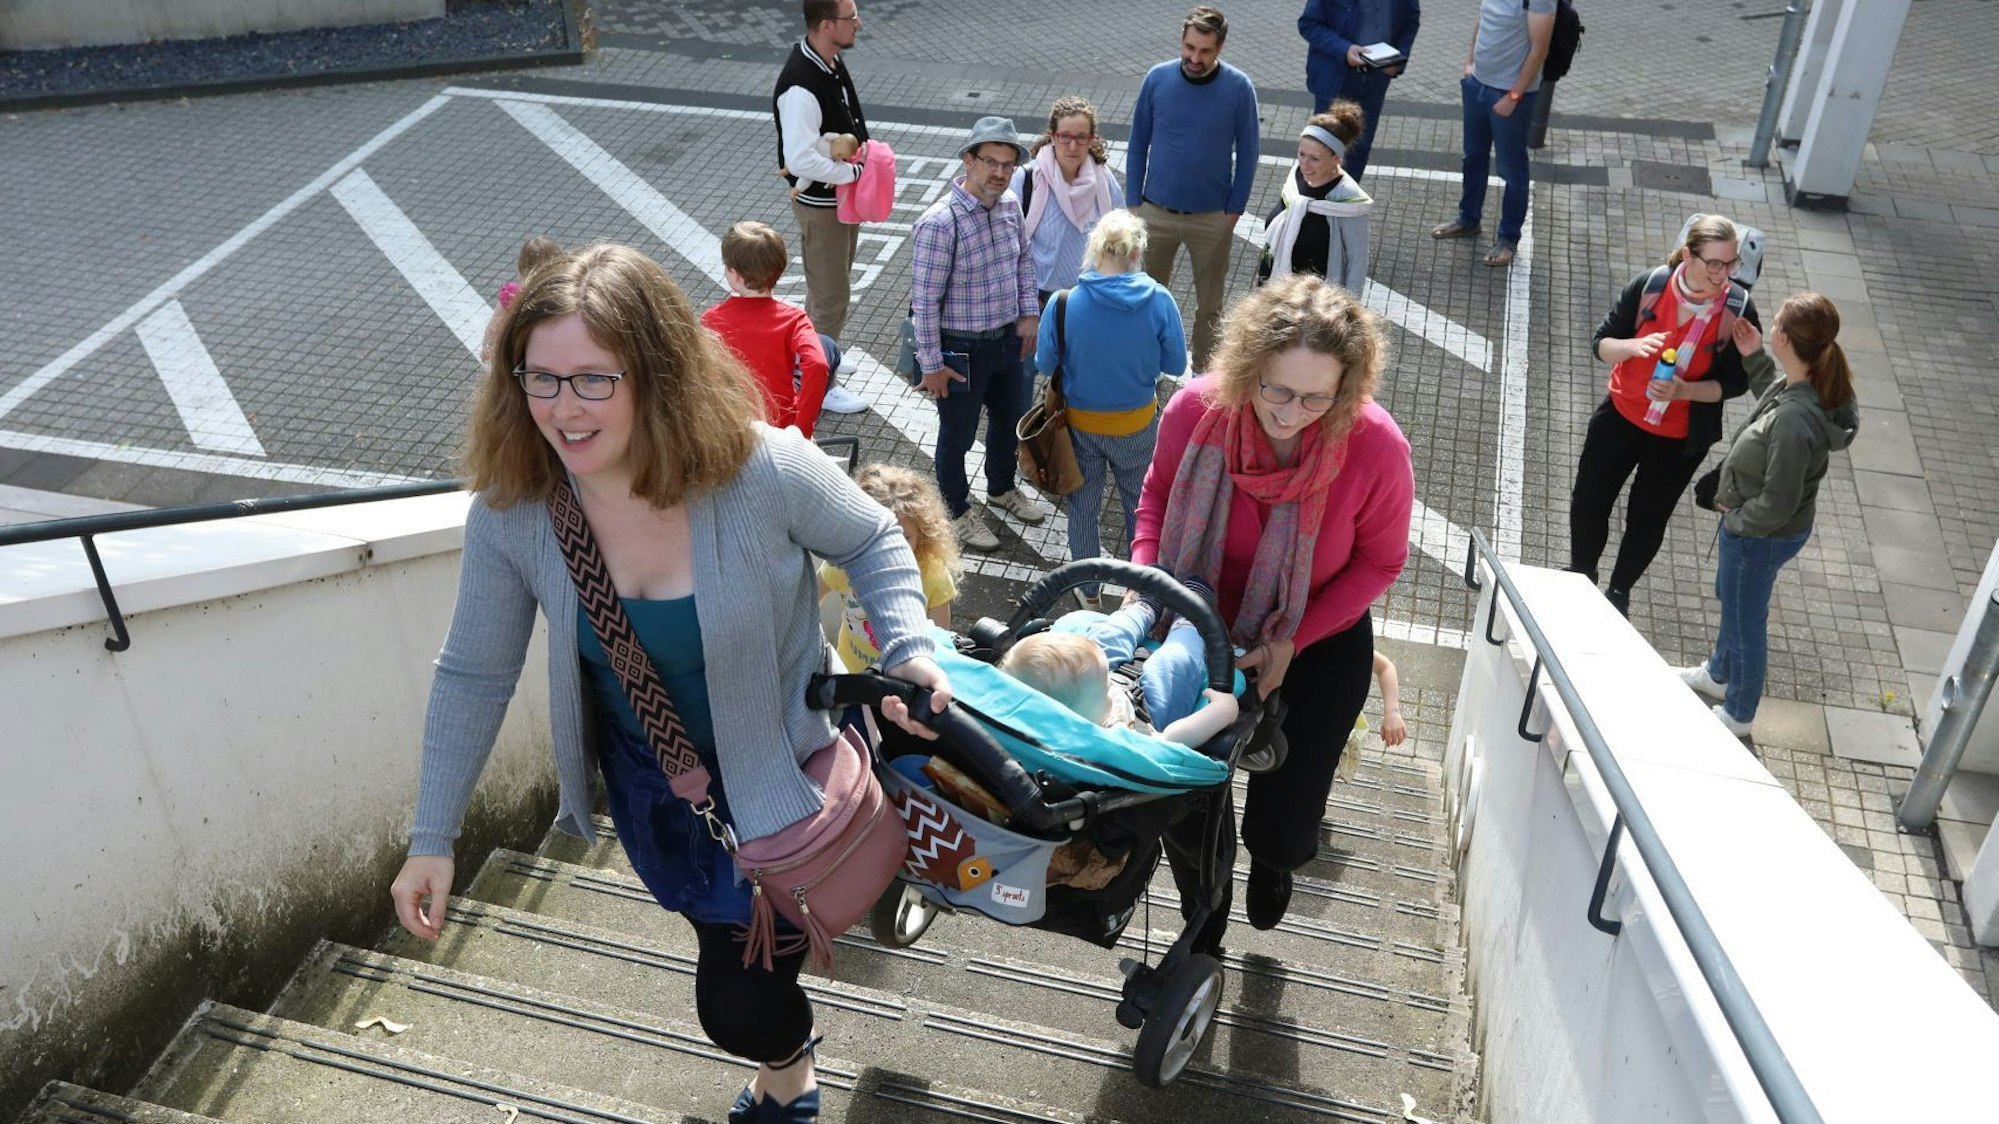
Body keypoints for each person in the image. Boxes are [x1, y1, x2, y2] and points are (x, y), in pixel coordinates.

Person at [388, 243, 951, 1124]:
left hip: (785, 776)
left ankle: (788, 1077)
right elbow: (473, 672)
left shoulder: (758, 468)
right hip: (659, 794)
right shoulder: (516, 511)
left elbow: (874, 538)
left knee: (734, 1001)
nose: (562, 411)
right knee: (719, 938)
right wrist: (432, 836)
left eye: (592, 381)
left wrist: (910, 645)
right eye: (540, 379)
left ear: (654, 372)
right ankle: (781, 1047)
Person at [1133, 274, 1413, 947]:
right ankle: (1204, 914)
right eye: (1275, 390)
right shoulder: (1195, 411)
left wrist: (1295, 639)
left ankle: (1273, 859)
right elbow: (1155, 499)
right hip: (1199, 630)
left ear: (1346, 390)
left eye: (1318, 398)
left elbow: (1379, 562)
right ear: (1245, 366)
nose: (1289, 414)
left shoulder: (1374, 446)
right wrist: (1146, 593)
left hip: (1318, 642)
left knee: (1285, 821)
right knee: (1186, 799)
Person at [1678, 292, 1858, 738]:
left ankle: (1739, 713)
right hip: (1764, 530)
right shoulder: (1805, 384)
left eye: (1774, 324)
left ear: (1785, 338)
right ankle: (1718, 675)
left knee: (1745, 622)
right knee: (1735, 603)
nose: (1770, 327)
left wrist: (1736, 519)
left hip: (1759, 534)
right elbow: (1770, 405)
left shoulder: (1797, 420)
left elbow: (1777, 501)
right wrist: (1754, 356)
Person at [1569, 215, 1762, 616]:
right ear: (1689, 256)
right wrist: (1632, 347)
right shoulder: (1651, 286)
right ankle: (1580, 575)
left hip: (1678, 439)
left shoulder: (1737, 310)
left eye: (1731, 264)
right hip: (1620, 417)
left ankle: (1619, 592)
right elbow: (1601, 343)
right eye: (1714, 263)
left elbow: (1736, 384)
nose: (1724, 274)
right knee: (1589, 502)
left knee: (1648, 517)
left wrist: (1684, 391)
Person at [910, 115, 1051, 552]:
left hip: (1009, 340)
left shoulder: (1009, 204)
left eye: (1008, 165)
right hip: (960, 348)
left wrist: (1029, 313)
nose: (1000, 173)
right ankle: (955, 509)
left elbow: (1024, 262)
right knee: (957, 437)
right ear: (968, 160)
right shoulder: (940, 223)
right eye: (990, 162)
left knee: (1008, 422)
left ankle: (1001, 487)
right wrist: (932, 366)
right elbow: (925, 303)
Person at [1036, 210, 1188, 610]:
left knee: (1082, 506)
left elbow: (1044, 362)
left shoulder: (1063, 303)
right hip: (1137, 424)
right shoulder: (1158, 299)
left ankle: (1087, 589)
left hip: (1078, 427)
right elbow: (1175, 365)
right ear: (1137, 251)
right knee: (1142, 504)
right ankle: (1144, 590)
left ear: (1095, 249)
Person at [1127, 5, 1261, 370]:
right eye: (1189, 47)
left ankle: (1205, 375)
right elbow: (1138, 140)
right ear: (1182, 41)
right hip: (1155, 213)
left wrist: (1234, 209)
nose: (1194, 58)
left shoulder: (1238, 87)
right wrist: (1133, 203)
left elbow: (1249, 151)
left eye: (1205, 51)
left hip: (1212, 218)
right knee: (1147, 300)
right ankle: (1147, 369)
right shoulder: (1157, 79)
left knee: (1210, 307)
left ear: (1220, 48)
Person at [773, 0, 871, 414]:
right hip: (823, 202)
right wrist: (852, 175)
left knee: (832, 284)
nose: (858, 23)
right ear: (826, 25)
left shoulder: (827, 60)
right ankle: (819, 382)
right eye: (851, 18)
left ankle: (820, 350)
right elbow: (798, 159)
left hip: (839, 200)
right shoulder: (801, 84)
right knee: (830, 295)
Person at [1429, 0, 1554, 268]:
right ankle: (1468, 219)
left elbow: (1539, 50)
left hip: (1509, 95)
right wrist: (1469, 63)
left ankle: (1508, 239)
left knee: (1512, 170)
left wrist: (1514, 95)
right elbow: (1483, 20)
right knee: (1473, 156)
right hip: (1477, 86)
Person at [1002, 608, 1240, 749]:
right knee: (1175, 662)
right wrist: (1223, 710)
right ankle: (1190, 620)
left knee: (1100, 644)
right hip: (1148, 708)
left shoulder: (1017, 727)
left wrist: (1103, 683)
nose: (1111, 688)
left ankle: (1143, 608)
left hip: (1085, 684)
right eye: (1107, 689)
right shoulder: (1118, 743)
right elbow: (1176, 737)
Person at [822, 463, 961, 672]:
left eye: (904, 538)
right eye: (881, 537)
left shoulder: (933, 577)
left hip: (899, 684)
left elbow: (938, 645)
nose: (893, 549)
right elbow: (806, 599)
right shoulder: (842, 564)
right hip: (849, 675)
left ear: (923, 534)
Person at [703, 221, 830, 438]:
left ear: (735, 274)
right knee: (829, 346)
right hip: (780, 429)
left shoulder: (711, 320)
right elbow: (817, 365)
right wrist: (802, 429)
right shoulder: (794, 320)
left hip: (731, 429)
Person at [1009, 96, 1126, 305]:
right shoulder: (1027, 179)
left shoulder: (1104, 181)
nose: (1072, 146)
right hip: (1040, 300)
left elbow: (1121, 240)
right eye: (1064, 137)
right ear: (1053, 137)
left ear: (1091, 139)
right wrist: (1026, 307)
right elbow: (1009, 245)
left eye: (1081, 138)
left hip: (1092, 299)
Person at [1297, 0, 1420, 179]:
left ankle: (1346, 201)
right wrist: (1344, 49)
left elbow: (1410, 21)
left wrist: (1400, 58)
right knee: (1322, 147)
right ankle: (1311, 201)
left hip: (1375, 80)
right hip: (1335, 79)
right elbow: (1308, 24)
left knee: (1360, 147)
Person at [1258, 103, 1373, 295]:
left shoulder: (1350, 203)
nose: (1305, 165)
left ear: (1336, 159)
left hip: (1317, 306)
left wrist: (1348, 314)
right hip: (1276, 294)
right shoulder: (1295, 179)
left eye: (1315, 158)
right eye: (1301, 154)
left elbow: (1357, 265)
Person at [482, 235, 562, 361]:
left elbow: (495, 324)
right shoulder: (562, 290)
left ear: (521, 264)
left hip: (520, 347)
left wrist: (487, 348)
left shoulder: (512, 293)